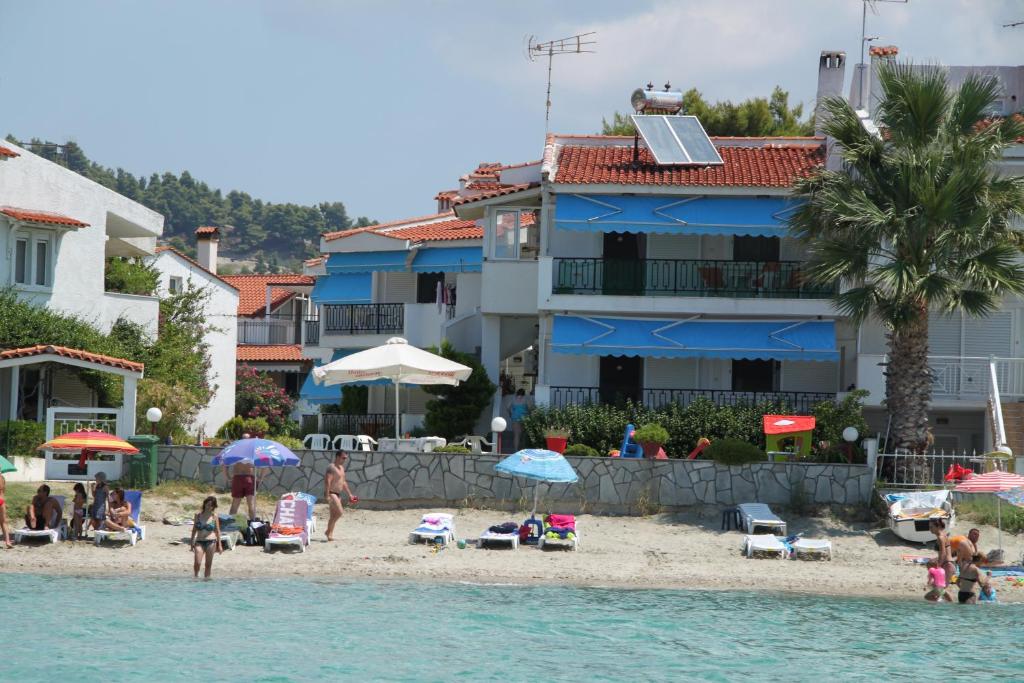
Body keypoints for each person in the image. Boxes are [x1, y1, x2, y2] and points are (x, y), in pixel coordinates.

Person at [324, 451, 357, 542]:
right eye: (343, 458)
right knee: (340, 512)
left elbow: (343, 482)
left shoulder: (341, 468)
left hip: (338, 493)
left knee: (333, 515)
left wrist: (350, 494)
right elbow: (327, 481)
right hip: (332, 493)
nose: (345, 460)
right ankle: (328, 531)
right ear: (337, 457)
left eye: (346, 458)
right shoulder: (331, 467)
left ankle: (329, 534)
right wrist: (327, 495)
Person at [189, 496, 222, 579]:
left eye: (211, 505)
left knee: (208, 564)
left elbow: (217, 531)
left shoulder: (214, 516)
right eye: (207, 504)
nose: (209, 506)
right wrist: (191, 542)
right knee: (197, 563)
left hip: (211, 542)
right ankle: (196, 577)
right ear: (204, 504)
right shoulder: (198, 515)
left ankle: (207, 580)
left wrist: (220, 545)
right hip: (199, 541)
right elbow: (194, 530)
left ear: (214, 507)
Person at [929, 519, 955, 584]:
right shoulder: (943, 535)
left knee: (939, 589)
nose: (930, 529)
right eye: (929, 527)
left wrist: (938, 566)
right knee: (939, 589)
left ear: (938, 527)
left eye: (932, 527)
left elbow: (943, 553)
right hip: (948, 563)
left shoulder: (941, 537)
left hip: (947, 565)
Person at [0, 472, 11, 548]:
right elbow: (3, 492)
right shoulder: (2, 479)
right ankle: (7, 541)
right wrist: (4, 503)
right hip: (1, 501)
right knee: (4, 522)